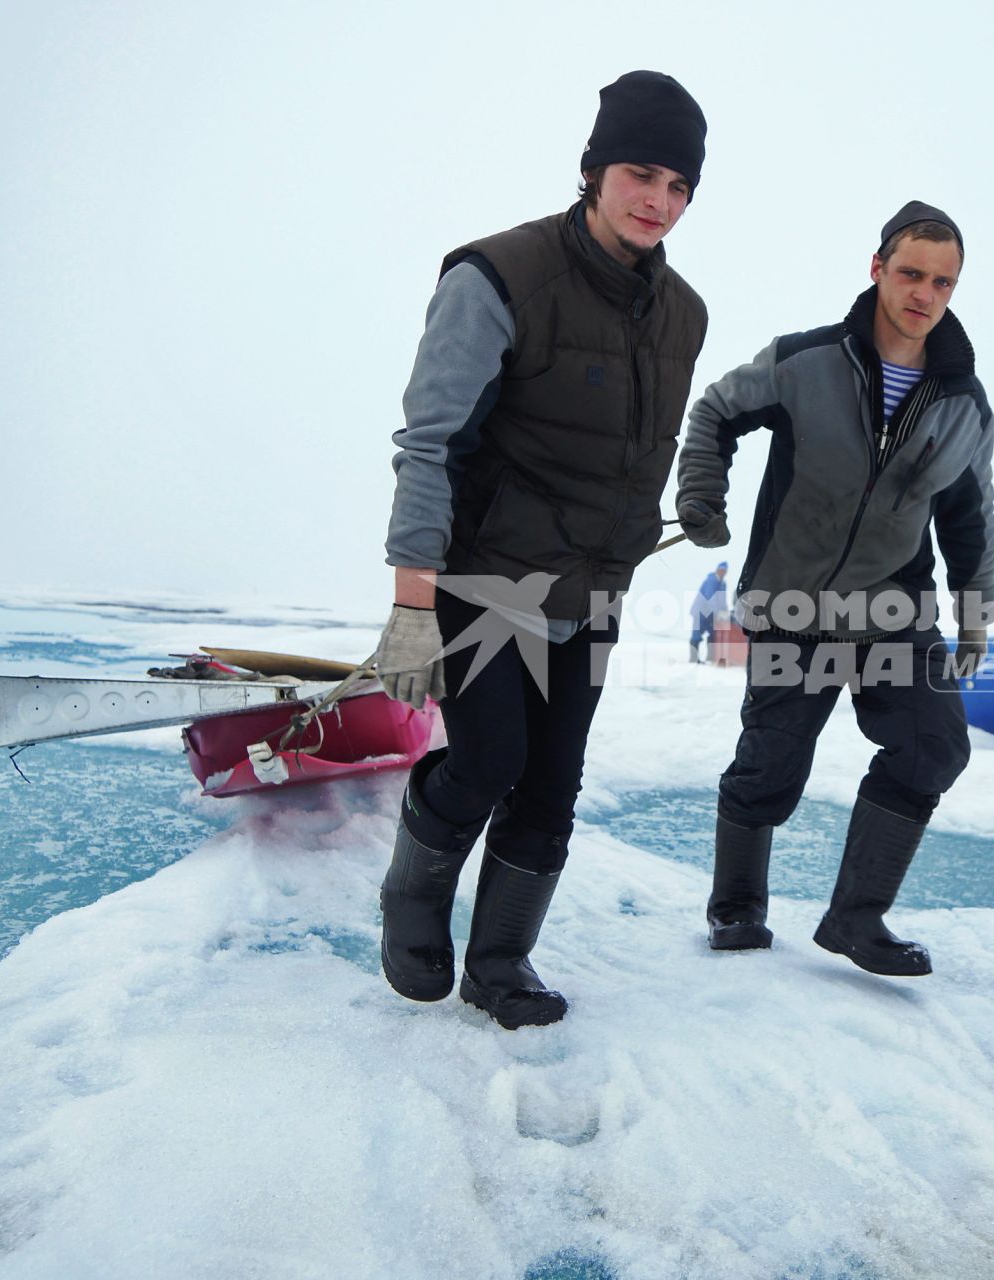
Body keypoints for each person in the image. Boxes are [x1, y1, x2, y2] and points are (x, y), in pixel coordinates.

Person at [372, 71, 709, 1029]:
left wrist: (684, 506)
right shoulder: (497, 277)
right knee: (488, 762)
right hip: (492, 576)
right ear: (596, 168)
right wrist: (410, 605)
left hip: (595, 588)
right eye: (642, 173)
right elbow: (428, 444)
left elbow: (638, 451)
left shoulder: (685, 315)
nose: (660, 201)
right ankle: (410, 899)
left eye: (681, 187)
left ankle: (502, 962)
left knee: (553, 785)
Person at [673, 201, 994, 977]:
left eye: (943, 282)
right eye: (912, 272)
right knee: (772, 765)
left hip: (894, 607)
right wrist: (701, 497)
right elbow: (715, 410)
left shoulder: (963, 403)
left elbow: (970, 515)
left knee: (934, 746)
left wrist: (975, 612)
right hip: (792, 602)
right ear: (878, 268)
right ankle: (737, 907)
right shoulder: (806, 360)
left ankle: (857, 919)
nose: (924, 293)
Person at [689, 561, 728, 662]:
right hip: (700, 612)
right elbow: (710, 598)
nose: (722, 572)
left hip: (711, 613)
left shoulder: (723, 584)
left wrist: (725, 611)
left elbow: (722, 600)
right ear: (717, 570)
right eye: (721, 570)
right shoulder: (711, 580)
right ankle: (693, 658)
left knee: (713, 633)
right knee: (697, 634)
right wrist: (718, 613)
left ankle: (711, 657)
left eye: (724, 571)